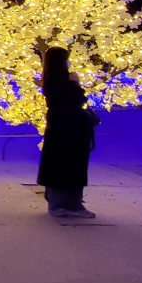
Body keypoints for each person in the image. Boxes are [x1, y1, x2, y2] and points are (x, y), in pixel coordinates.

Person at [38, 47, 98, 219]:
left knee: (66, 165)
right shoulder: (60, 81)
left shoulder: (51, 80)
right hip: (69, 129)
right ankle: (67, 204)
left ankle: (67, 203)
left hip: (64, 128)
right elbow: (76, 99)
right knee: (69, 165)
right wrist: (75, 84)